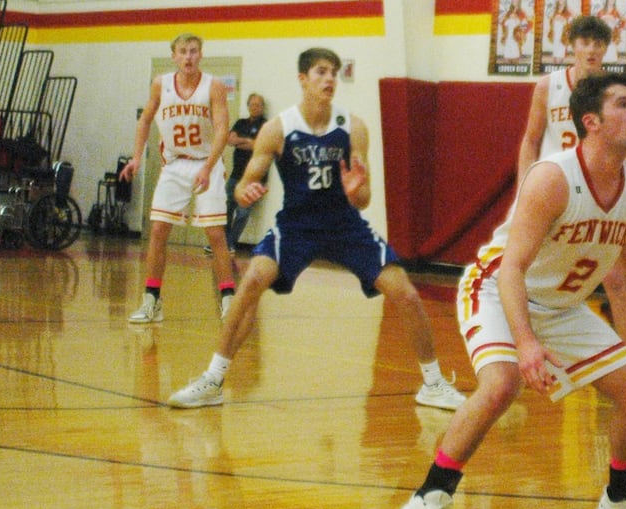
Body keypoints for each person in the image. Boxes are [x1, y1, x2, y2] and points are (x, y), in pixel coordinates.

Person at [398, 72, 626, 509]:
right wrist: (525, 342)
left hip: (562, 306)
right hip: (500, 290)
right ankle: (428, 498)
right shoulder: (552, 177)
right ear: (592, 122)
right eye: (625, 105)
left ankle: (622, 498)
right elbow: (512, 268)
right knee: (502, 384)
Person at [165, 47, 466, 412]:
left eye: (334, 73)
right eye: (321, 72)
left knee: (405, 292)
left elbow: (365, 199)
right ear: (303, 79)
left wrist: (358, 190)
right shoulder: (278, 129)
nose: (329, 80)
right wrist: (247, 192)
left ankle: (433, 384)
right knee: (252, 282)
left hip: (344, 225)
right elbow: (245, 187)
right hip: (297, 226)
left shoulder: (352, 127)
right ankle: (212, 380)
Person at [516, 14, 626, 358]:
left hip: (597, 192)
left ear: (605, 49)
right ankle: (521, 345)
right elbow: (531, 140)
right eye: (585, 42)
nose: (591, 50)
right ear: (572, 45)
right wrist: (526, 187)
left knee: (615, 277)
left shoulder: (615, 92)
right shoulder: (548, 86)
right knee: (522, 270)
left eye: (598, 44)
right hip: (555, 193)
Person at [117, 34, 240, 325]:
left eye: (194, 51)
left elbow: (222, 129)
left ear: (201, 55)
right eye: (183, 52)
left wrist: (209, 167)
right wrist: (136, 157)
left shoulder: (214, 86)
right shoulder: (161, 83)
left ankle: (228, 300)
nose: (188, 57)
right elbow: (145, 119)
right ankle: (152, 300)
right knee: (158, 230)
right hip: (174, 164)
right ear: (173, 55)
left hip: (205, 162)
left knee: (214, 235)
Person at [224, 92, 267, 252]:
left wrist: (241, 142)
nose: (255, 107)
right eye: (252, 104)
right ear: (248, 106)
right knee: (226, 209)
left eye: (258, 105)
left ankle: (230, 243)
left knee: (242, 213)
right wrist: (248, 141)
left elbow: (259, 146)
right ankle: (224, 243)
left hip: (255, 178)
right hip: (235, 175)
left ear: (262, 108)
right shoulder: (240, 123)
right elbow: (230, 140)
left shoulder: (266, 125)